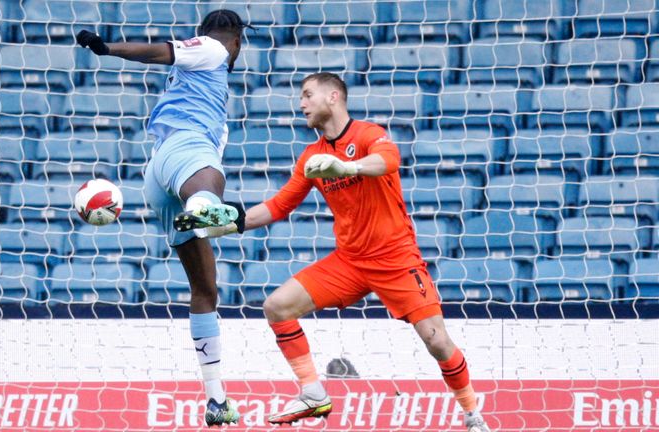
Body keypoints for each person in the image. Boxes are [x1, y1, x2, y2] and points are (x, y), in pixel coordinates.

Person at [207, 72, 492, 431]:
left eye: (308, 95)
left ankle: (472, 415)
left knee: (437, 340)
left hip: (395, 257)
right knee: (277, 307)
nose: (301, 103)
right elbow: (279, 206)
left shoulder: (368, 134)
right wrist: (230, 222)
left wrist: (348, 166)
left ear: (334, 97)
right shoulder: (312, 157)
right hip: (350, 261)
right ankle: (312, 393)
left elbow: (388, 160)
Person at [75, 10, 252, 427]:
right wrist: (107, 48)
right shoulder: (211, 49)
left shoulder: (200, 77)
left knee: (205, 290)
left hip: (159, 176)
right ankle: (204, 206)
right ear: (237, 41)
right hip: (184, 154)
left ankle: (216, 399)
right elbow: (161, 51)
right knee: (209, 181)